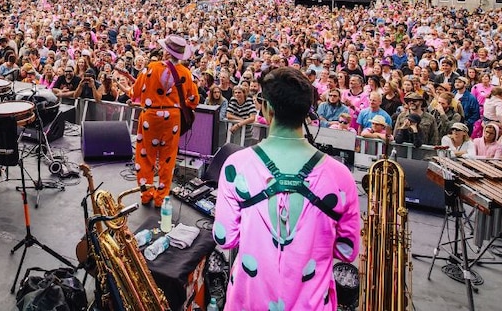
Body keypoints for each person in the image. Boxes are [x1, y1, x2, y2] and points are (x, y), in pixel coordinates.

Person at [213, 67, 360, 311]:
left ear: (267, 109)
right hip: (313, 304)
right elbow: (348, 251)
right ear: (307, 112)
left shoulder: (236, 166)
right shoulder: (341, 176)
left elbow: (225, 238)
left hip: (249, 301)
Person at [132, 34, 199, 207]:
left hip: (150, 118)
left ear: (167, 52)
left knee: (145, 156)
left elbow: (135, 93)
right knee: (167, 158)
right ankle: (161, 198)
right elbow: (194, 100)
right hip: (173, 120)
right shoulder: (186, 73)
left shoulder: (151, 68)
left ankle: (146, 194)